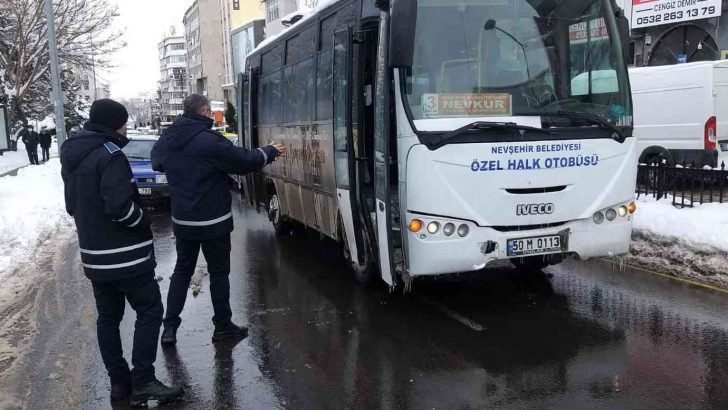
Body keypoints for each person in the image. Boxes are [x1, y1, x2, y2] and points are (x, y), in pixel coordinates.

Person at [60, 99, 184, 405]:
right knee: (150, 310)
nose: (126, 128)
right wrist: (142, 219)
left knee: (108, 317)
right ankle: (143, 379)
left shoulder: (72, 155)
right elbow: (119, 207)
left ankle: (120, 382)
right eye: (124, 123)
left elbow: (71, 205)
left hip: (94, 256)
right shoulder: (110, 155)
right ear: (115, 123)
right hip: (126, 255)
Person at [151, 94, 286, 345]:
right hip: (213, 220)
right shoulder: (208, 140)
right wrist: (269, 151)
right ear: (204, 111)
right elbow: (243, 162)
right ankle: (223, 326)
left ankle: (169, 328)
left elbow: (157, 163)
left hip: (183, 220)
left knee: (182, 272)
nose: (212, 116)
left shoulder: (168, 138)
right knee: (219, 273)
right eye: (210, 112)